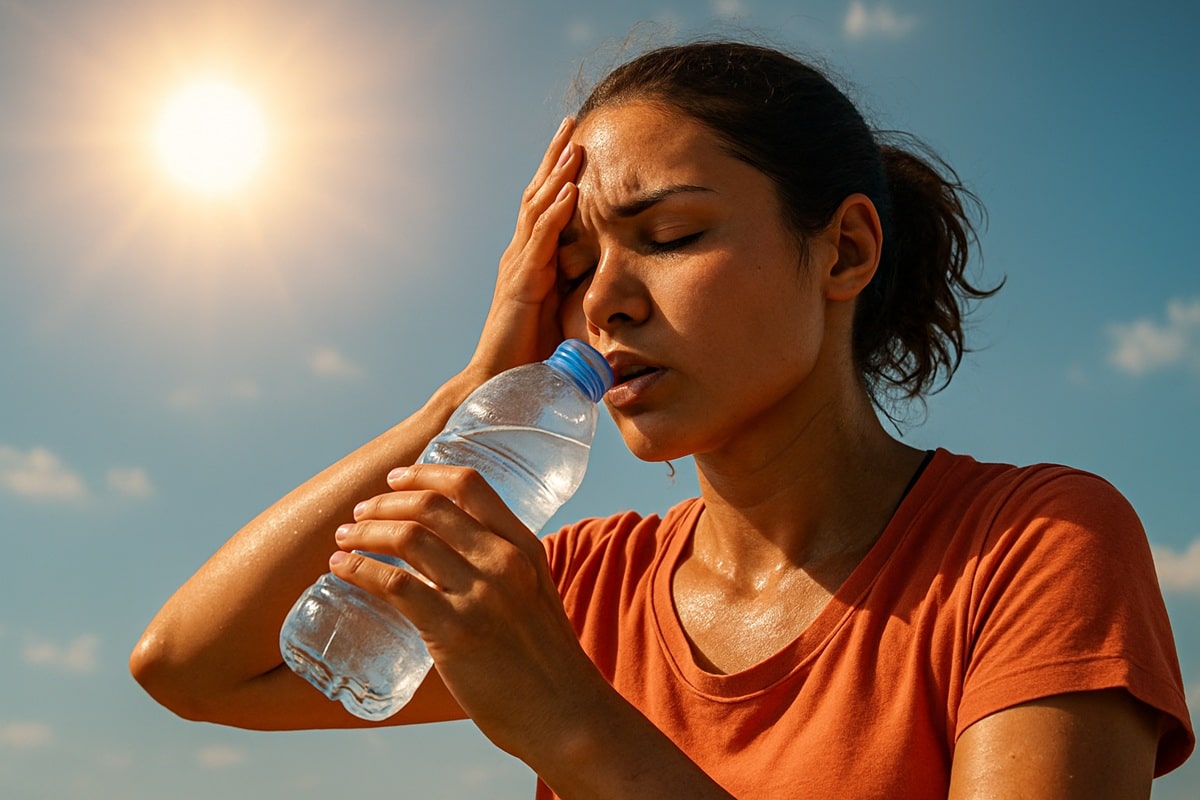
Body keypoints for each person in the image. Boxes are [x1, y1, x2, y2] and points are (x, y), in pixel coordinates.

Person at [130, 40, 1193, 798]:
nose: (605, 299)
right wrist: (472, 385)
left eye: (672, 234)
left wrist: (574, 724)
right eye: (577, 263)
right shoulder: (587, 587)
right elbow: (192, 664)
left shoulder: (1032, 545)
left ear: (846, 250)